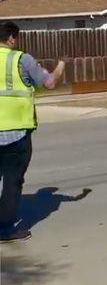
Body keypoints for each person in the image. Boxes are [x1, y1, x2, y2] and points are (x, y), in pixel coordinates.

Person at [0, 21, 65, 243]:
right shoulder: (21, 59)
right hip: (15, 132)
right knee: (12, 180)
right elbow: (49, 83)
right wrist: (61, 66)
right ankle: (4, 229)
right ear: (11, 39)